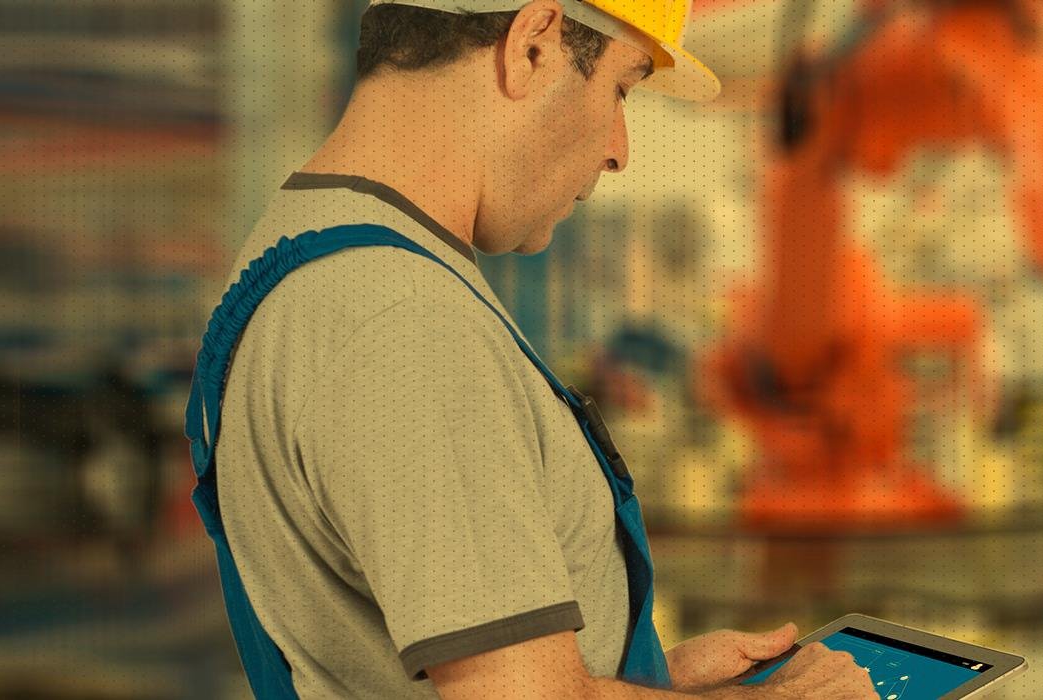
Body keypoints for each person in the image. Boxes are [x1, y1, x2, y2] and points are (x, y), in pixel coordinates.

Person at [185, 1, 879, 698]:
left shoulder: (311, 249)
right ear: (533, 47)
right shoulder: (404, 320)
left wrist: (648, 678)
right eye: (621, 88)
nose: (620, 148)